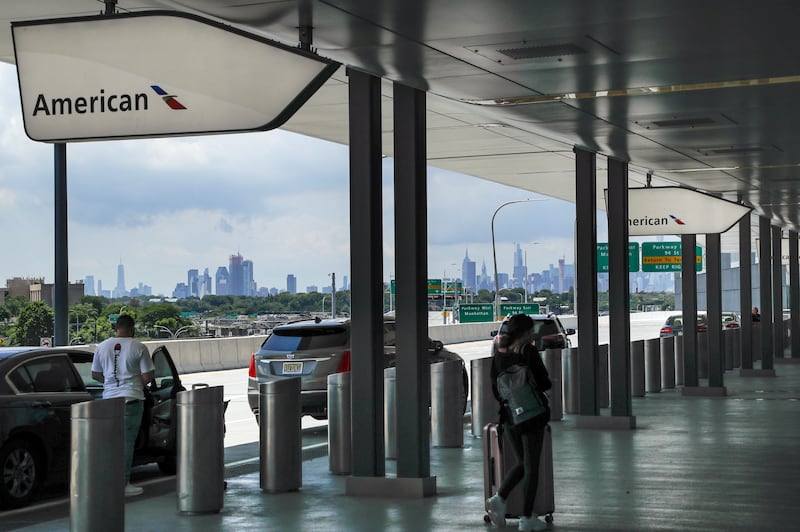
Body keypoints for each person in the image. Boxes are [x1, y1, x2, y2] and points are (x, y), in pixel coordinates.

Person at [486, 314, 552, 531]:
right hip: (532, 415)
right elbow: (544, 382)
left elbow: (496, 388)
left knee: (523, 463)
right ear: (524, 332)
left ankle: (499, 499)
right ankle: (526, 518)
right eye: (531, 330)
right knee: (532, 467)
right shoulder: (527, 351)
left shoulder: (499, 353)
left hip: (509, 415)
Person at [91, 314, 154, 497]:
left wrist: (110, 383)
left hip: (109, 401)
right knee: (126, 444)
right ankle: (123, 483)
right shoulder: (139, 347)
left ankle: (107, 480)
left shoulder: (101, 347)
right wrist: (136, 383)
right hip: (131, 400)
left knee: (110, 443)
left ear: (115, 328)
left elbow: (95, 374)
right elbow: (148, 375)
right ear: (132, 328)